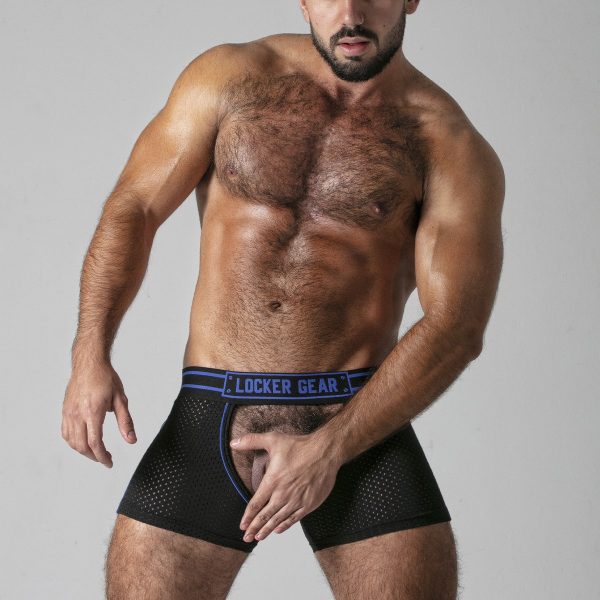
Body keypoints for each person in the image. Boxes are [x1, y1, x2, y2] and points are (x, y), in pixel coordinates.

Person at [61, 0, 504, 598]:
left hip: (358, 423)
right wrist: (90, 352)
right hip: (213, 412)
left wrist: (330, 449)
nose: (351, 13)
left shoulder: (447, 141)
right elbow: (135, 206)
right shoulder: (230, 77)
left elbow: (457, 324)